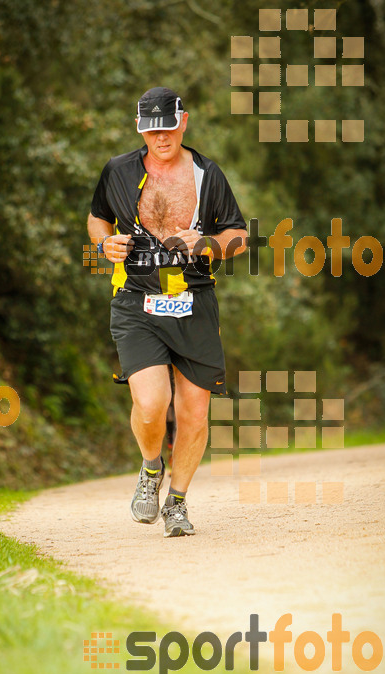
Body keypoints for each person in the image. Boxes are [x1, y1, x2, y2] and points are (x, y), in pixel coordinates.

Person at [87, 87, 247, 537]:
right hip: (136, 300)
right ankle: (151, 467)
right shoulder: (118, 171)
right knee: (151, 403)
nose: (161, 137)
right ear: (142, 130)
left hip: (193, 301)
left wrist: (213, 244)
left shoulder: (207, 176)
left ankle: (177, 503)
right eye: (152, 129)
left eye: (169, 127)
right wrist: (103, 243)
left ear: (184, 122)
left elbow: (239, 234)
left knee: (195, 412)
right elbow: (97, 217)